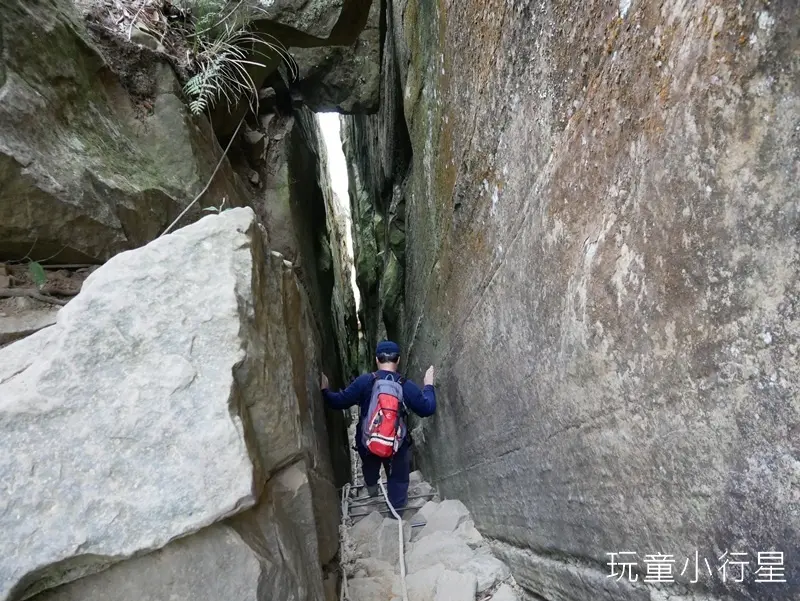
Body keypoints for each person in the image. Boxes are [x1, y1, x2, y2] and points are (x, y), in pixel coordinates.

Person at [320, 340, 436, 516]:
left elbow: (338, 401)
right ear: (398, 360)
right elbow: (428, 408)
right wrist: (428, 385)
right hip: (396, 445)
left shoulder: (365, 381)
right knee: (398, 478)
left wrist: (325, 390)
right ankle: (396, 514)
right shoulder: (406, 386)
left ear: (376, 359)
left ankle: (372, 488)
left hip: (368, 443)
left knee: (370, 466)